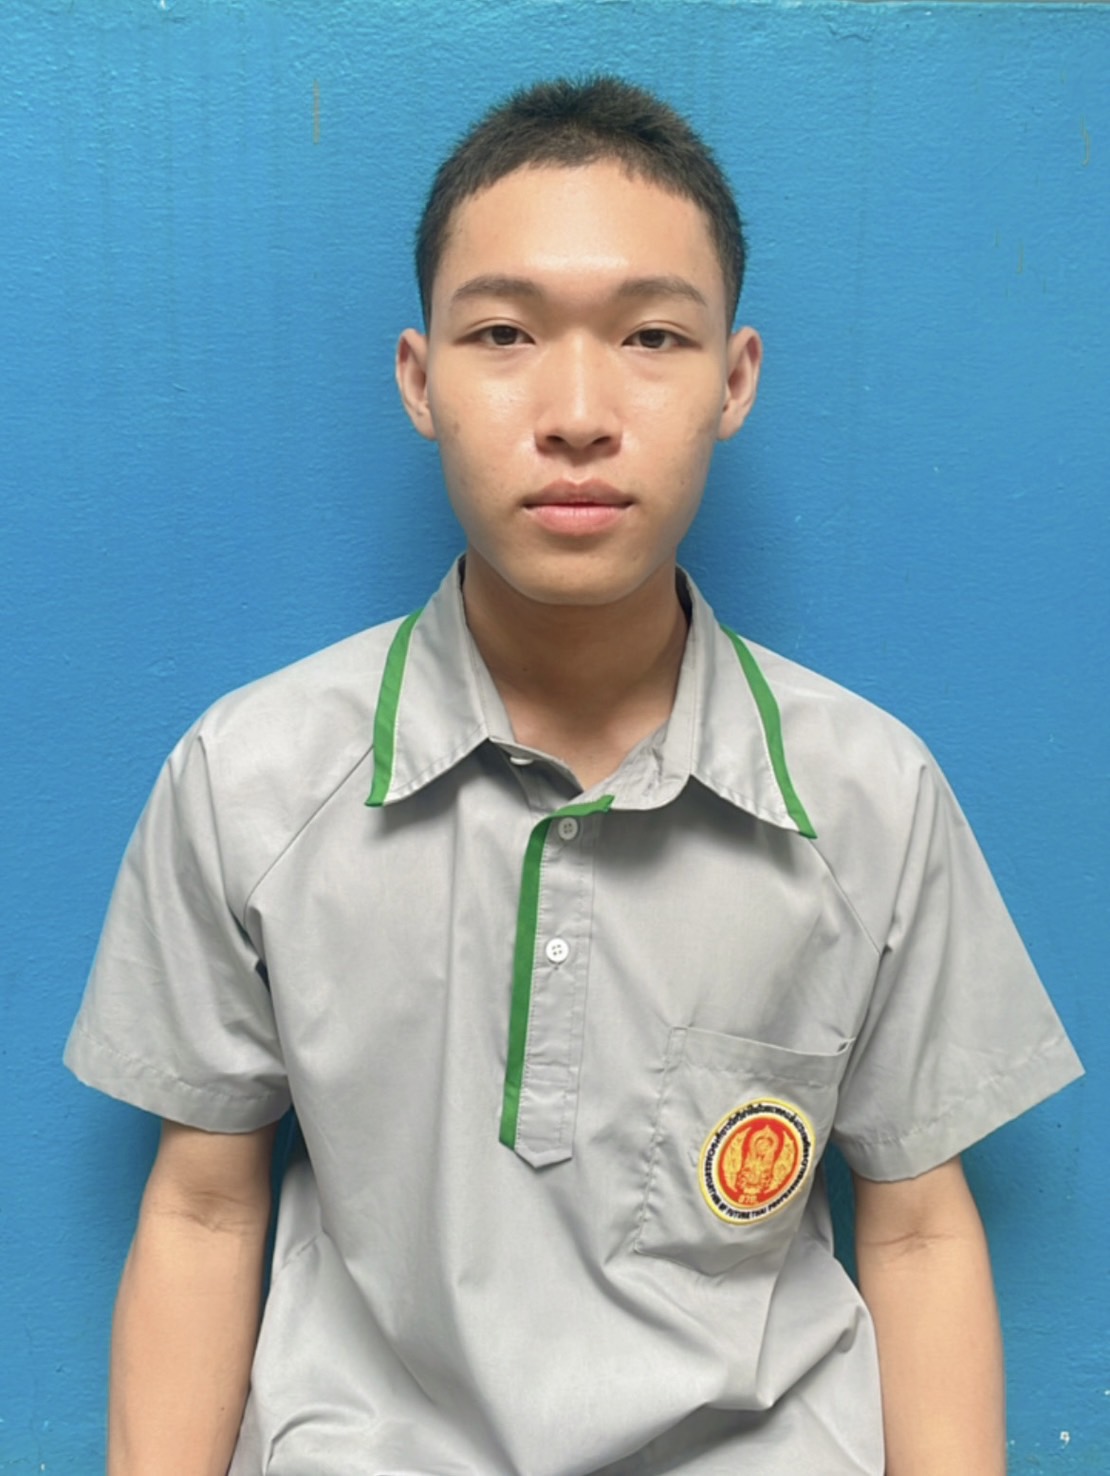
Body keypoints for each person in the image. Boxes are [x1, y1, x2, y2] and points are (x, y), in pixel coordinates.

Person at [66, 76, 1082, 1476]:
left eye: (653, 335)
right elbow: (201, 1209)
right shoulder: (249, 778)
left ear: (734, 380)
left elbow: (914, 1228)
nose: (579, 411)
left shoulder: (869, 797)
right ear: (420, 380)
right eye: (504, 333)